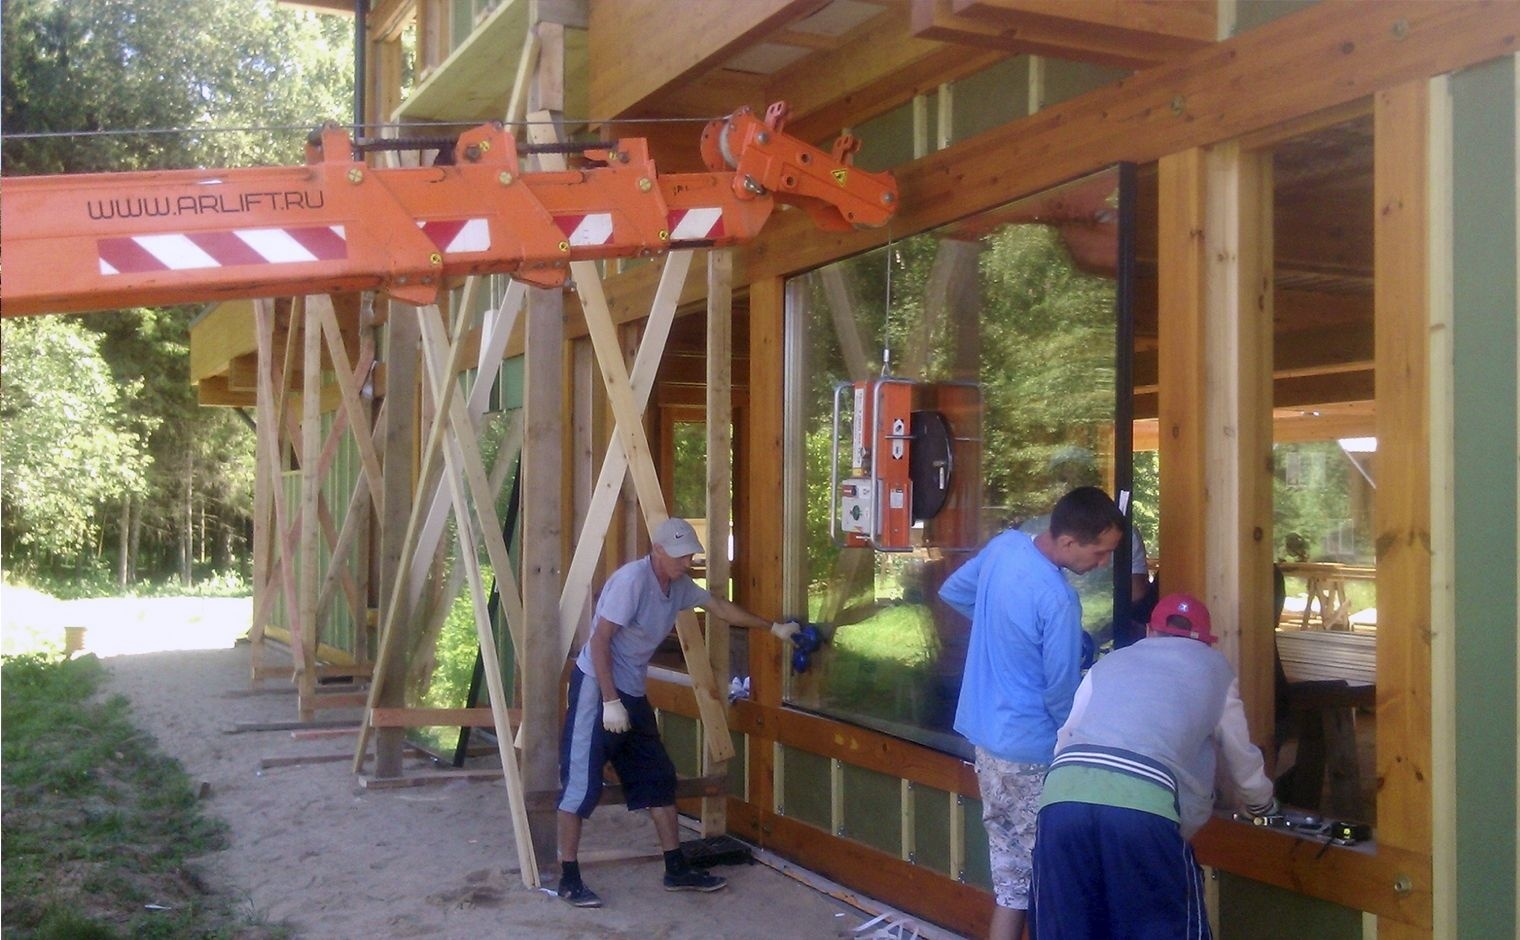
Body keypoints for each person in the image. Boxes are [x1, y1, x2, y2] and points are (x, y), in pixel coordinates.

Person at [555, 517, 799, 908]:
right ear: (658, 550)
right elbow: (599, 642)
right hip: (596, 687)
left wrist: (774, 629)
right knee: (581, 784)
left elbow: (721, 608)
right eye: (681, 556)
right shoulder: (632, 582)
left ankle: (676, 868)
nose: (688, 563)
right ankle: (568, 879)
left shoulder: (679, 585)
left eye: (691, 556)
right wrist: (610, 701)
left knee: (658, 778)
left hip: (632, 691)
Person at [1029, 593, 1278, 940]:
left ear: (1149, 631)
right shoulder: (1215, 669)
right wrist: (1261, 805)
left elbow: (1066, 735)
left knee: (1068, 929)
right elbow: (1240, 755)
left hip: (1062, 800)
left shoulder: (1111, 662)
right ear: (1205, 641)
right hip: (1143, 809)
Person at [939, 486, 1126, 940]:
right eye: (1100, 552)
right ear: (1068, 542)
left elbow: (954, 591)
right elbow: (1061, 696)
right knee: (1053, 880)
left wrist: (998, 625)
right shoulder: (1059, 600)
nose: (1103, 563)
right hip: (1033, 754)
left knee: (1011, 879)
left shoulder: (1004, 547)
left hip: (987, 745)